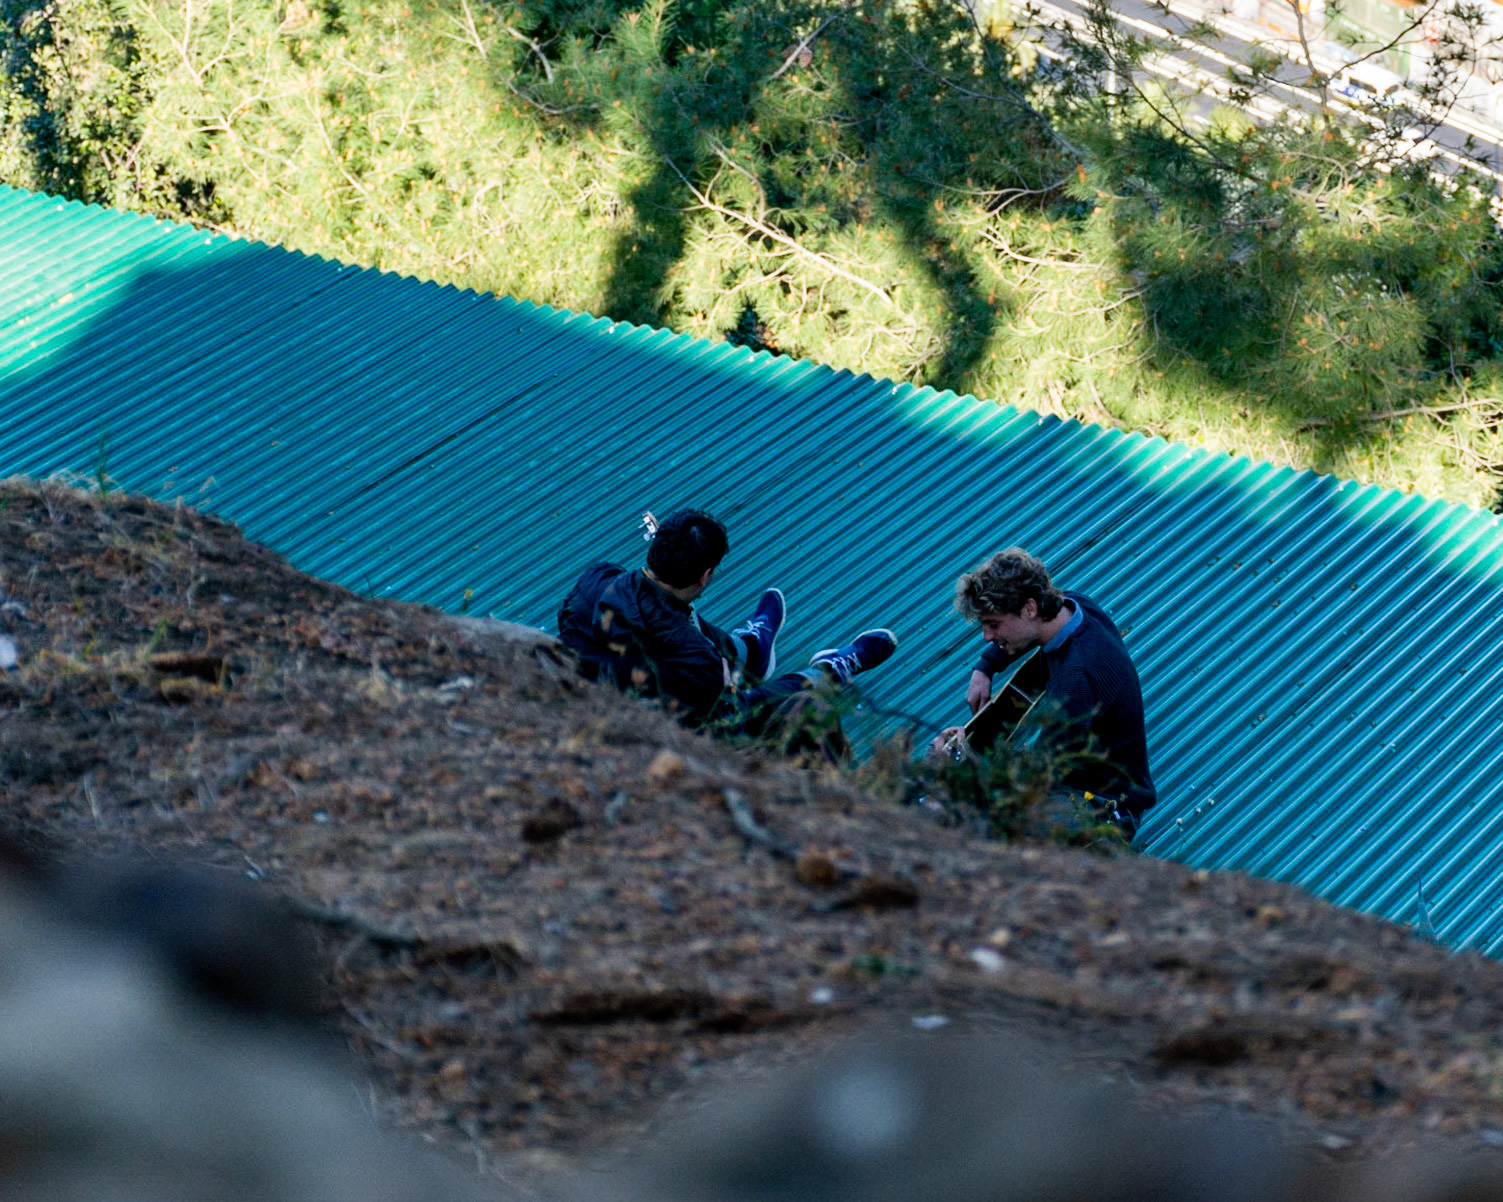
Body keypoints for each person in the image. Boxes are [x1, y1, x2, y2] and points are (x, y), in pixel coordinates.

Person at [557, 509, 897, 745]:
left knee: (667, 608)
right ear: (706, 575)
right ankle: (830, 671)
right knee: (765, 698)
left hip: (596, 693)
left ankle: (751, 650)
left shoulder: (597, 578)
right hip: (664, 727)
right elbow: (728, 716)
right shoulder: (696, 659)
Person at [932, 548, 1156, 837]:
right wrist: (985, 667)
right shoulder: (1075, 605)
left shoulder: (1077, 679)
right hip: (1071, 761)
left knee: (984, 829)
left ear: (1029, 608)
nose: (987, 636)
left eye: (993, 625)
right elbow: (1025, 634)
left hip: (1103, 805)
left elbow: (1031, 778)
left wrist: (966, 764)